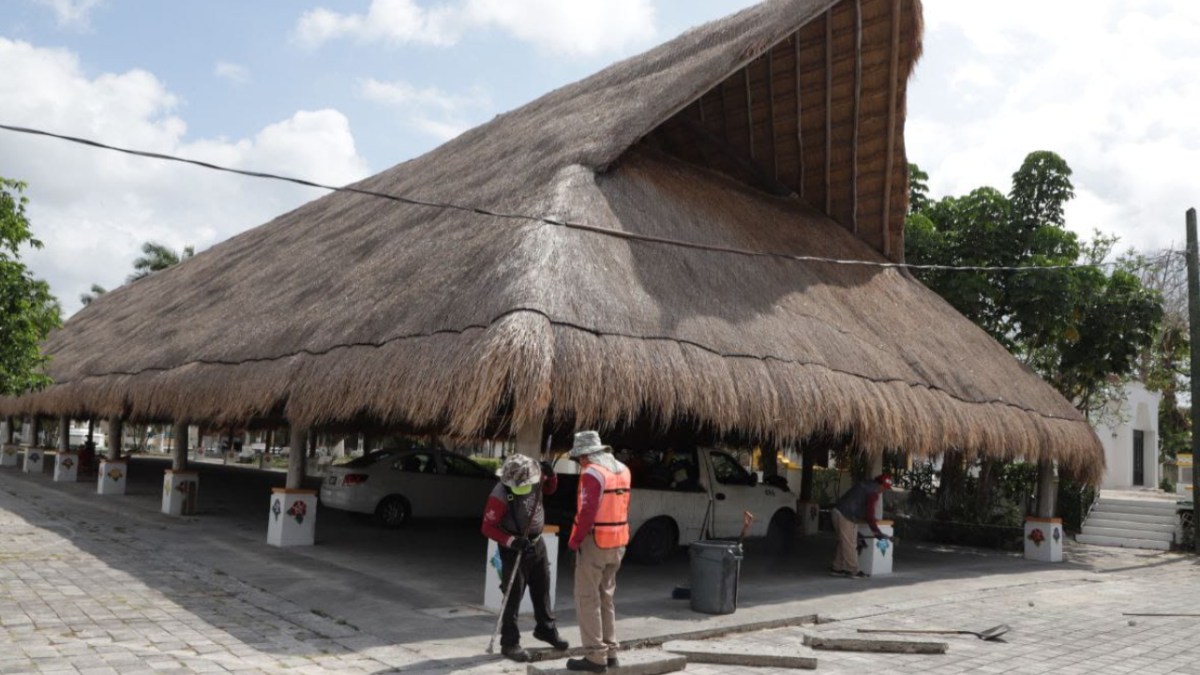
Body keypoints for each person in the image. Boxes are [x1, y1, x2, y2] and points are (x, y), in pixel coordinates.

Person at [480, 453, 568, 662]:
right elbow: (487, 527)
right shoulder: (499, 495)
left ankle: (546, 629)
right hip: (514, 547)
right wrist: (511, 541)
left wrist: (552, 476)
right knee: (513, 594)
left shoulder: (537, 478)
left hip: (537, 543)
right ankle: (509, 642)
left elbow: (550, 489)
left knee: (542, 587)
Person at [565, 431, 631, 673]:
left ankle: (595, 657)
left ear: (585, 455)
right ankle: (611, 652)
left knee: (587, 598)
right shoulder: (623, 470)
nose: (579, 463)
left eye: (578, 458)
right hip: (618, 541)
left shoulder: (593, 472)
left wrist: (574, 541)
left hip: (595, 543)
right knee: (606, 597)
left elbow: (587, 512)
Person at [830, 473, 893, 578]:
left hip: (838, 511)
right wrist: (877, 532)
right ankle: (853, 570)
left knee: (844, 542)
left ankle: (837, 568)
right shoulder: (873, 492)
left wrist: (874, 528)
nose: (884, 490)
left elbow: (861, 507)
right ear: (880, 485)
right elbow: (869, 514)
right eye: (884, 488)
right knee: (850, 544)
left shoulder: (866, 485)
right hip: (846, 515)